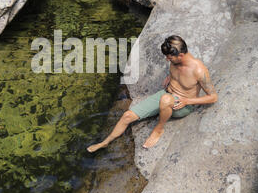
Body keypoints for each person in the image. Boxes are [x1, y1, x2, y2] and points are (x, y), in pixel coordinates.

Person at [87, 35, 218, 152]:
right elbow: (178, 75)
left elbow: (213, 97)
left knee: (166, 99)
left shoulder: (199, 71)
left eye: (170, 57)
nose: (167, 60)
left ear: (181, 55)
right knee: (127, 115)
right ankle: (105, 142)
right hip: (166, 94)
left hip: (182, 105)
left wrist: (187, 101)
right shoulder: (175, 61)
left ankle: (158, 129)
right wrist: (171, 77)